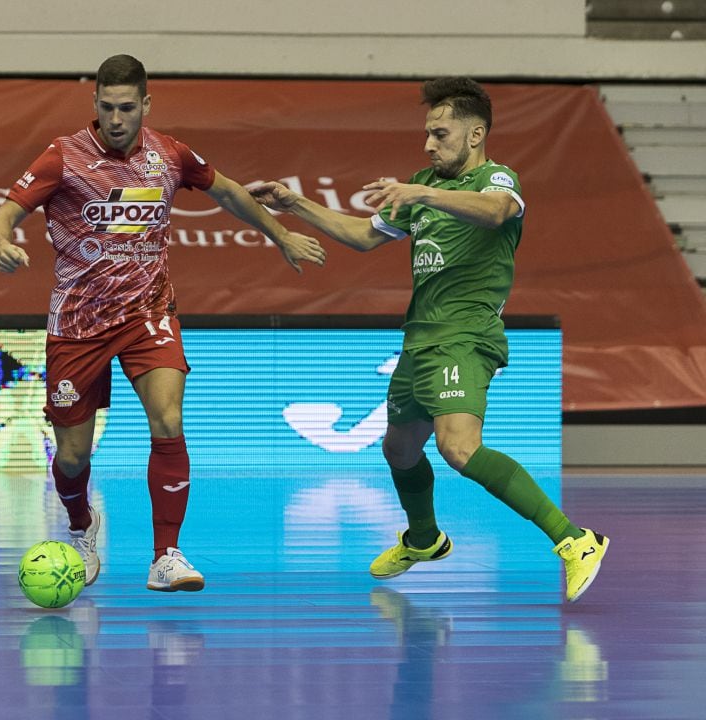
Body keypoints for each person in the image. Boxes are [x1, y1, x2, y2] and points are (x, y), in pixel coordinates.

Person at [250, 77, 608, 603]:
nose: (428, 144)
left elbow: (499, 211)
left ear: (476, 133)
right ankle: (424, 539)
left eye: (440, 134)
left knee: (458, 448)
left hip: (466, 336)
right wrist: (292, 202)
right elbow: (361, 236)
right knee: (398, 448)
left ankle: (575, 540)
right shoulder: (420, 188)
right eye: (427, 134)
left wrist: (423, 192)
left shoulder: (495, 179)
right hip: (419, 341)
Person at [0, 54, 326, 592]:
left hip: (150, 314)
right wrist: (1, 239)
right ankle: (81, 525)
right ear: (94, 104)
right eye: (106, 106)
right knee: (73, 457)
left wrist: (279, 235)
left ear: (146, 104)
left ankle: (166, 554)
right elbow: (5, 211)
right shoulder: (63, 157)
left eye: (126, 107)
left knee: (168, 420)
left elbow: (230, 191)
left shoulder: (170, 154)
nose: (116, 117)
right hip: (78, 323)